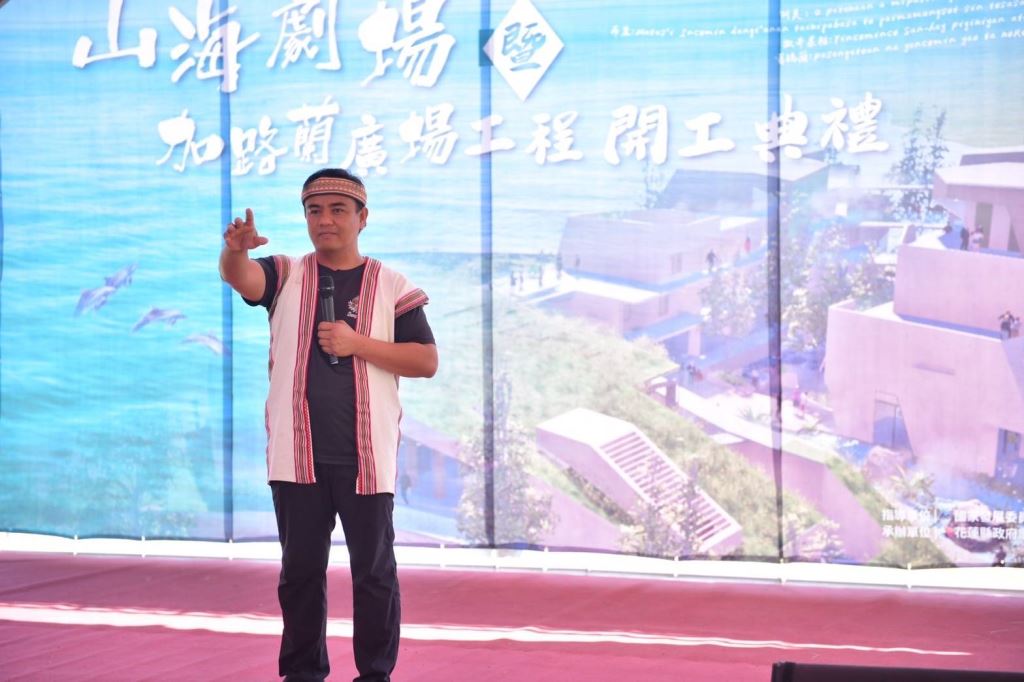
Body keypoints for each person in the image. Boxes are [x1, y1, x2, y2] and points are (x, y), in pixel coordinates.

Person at [220, 168, 438, 682]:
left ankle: (375, 674)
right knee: (299, 574)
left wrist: (356, 343)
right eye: (314, 211)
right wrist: (234, 251)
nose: (325, 220)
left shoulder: (391, 285)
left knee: (375, 575)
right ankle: (303, 673)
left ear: (363, 218)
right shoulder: (285, 274)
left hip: (366, 457)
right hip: (297, 457)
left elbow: (426, 360)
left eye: (339, 210)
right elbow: (239, 277)